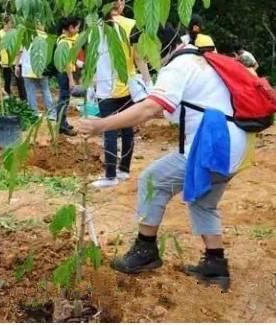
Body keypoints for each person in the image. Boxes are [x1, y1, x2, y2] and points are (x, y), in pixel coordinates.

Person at [78, 24, 256, 291]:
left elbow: (151, 108)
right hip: (237, 145)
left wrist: (100, 125)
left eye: (142, 53)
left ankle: (145, 249)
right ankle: (215, 264)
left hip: (211, 147)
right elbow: (169, 108)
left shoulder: (178, 66)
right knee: (203, 202)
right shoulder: (200, 58)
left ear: (154, 45)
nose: (142, 60)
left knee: (153, 179)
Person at [91, 0, 137, 188]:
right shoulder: (131, 25)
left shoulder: (94, 28)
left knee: (109, 131)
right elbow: (137, 56)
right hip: (128, 85)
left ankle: (110, 176)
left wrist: (91, 84)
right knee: (127, 130)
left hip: (105, 86)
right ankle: (124, 170)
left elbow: (92, 58)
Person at [15, 25, 55, 119]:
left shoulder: (26, 35)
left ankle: (34, 114)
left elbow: (20, 51)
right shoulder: (46, 37)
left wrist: (17, 65)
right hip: (41, 68)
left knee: (30, 92)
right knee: (45, 90)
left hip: (27, 69)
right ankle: (52, 113)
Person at [54, 17, 82, 136]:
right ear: (70, 28)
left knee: (65, 98)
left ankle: (62, 122)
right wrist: (71, 79)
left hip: (66, 72)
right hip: (65, 73)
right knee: (64, 98)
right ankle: (61, 125)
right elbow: (66, 63)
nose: (78, 29)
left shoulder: (67, 39)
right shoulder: (64, 42)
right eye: (77, 27)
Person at [0, 15, 26, 100]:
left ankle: (24, 100)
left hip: (15, 62)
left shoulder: (15, 33)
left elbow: (20, 50)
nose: (12, 25)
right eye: (10, 23)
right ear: (5, 23)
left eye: (12, 23)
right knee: (7, 82)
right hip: (5, 63)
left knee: (20, 82)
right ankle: (8, 100)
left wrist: (17, 65)